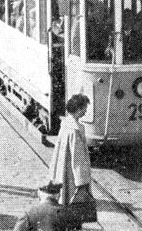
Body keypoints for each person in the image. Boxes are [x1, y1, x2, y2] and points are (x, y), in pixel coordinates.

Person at [48, 94, 93, 230]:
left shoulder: (66, 124)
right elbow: (77, 158)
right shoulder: (75, 130)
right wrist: (82, 181)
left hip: (63, 169)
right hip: (72, 175)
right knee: (75, 202)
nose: (86, 111)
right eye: (84, 108)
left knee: (65, 200)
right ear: (78, 109)